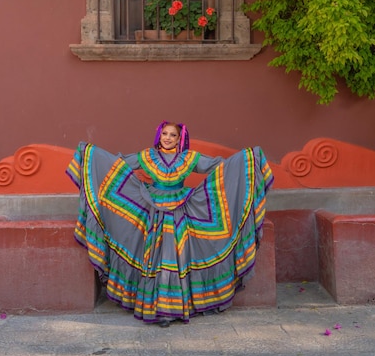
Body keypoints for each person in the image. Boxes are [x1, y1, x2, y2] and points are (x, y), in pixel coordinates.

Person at [66, 121, 274, 326]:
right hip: (152, 209)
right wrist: (92, 155)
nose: (168, 138)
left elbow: (218, 166)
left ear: (180, 138)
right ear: (159, 135)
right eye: (165, 133)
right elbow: (118, 164)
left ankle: (174, 308)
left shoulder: (189, 158)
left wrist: (246, 160)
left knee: (176, 256)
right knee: (155, 257)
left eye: (173, 135)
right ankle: (157, 307)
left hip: (180, 211)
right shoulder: (148, 156)